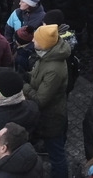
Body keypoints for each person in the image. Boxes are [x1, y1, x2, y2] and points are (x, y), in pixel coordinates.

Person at [22, 24, 70, 178]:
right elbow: (38, 76)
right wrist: (28, 76)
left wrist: (23, 85)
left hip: (52, 118)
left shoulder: (54, 68)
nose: (32, 40)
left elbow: (40, 100)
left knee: (57, 155)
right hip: (47, 115)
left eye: (36, 39)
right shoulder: (47, 55)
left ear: (44, 44)